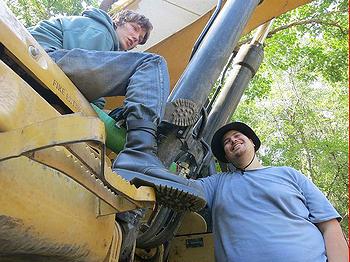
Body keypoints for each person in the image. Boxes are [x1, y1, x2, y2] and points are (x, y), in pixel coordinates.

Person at [29, 8, 205, 211]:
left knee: (122, 108)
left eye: (139, 39)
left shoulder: (104, 47)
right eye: (134, 28)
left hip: (46, 65)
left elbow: (94, 102)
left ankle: (138, 137)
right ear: (117, 21)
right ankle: (139, 152)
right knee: (151, 63)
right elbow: (81, 83)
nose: (135, 39)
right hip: (40, 58)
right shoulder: (99, 29)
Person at [194, 121, 348, 261]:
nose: (233, 140)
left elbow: (329, 225)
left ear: (252, 142)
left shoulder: (288, 174)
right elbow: (181, 188)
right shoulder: (216, 183)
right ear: (226, 155)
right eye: (227, 142)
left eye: (237, 136)